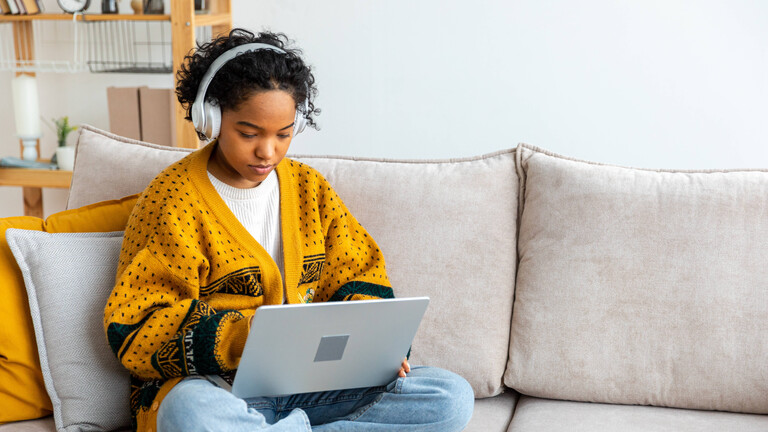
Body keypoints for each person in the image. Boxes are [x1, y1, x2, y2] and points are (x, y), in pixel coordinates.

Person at [103, 28, 474, 432]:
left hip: (317, 388)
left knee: (450, 397)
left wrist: (380, 348)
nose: (268, 152)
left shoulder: (309, 189)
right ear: (209, 118)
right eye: (249, 134)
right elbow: (134, 329)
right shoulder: (172, 201)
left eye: (283, 134)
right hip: (220, 391)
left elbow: (360, 276)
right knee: (189, 413)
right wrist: (247, 337)